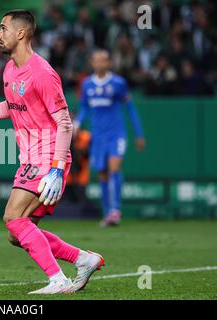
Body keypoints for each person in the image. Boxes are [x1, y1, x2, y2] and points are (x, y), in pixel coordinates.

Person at [0, 10, 104, 294]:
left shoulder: (42, 72)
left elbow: (65, 122)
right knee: (18, 234)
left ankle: (58, 279)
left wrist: (55, 168)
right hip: (31, 159)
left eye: (3, 28)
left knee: (13, 218)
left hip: (47, 157)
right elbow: (11, 106)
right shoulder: (10, 69)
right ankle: (83, 259)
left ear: (21, 33)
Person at [74, 50, 146, 227]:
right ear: (92, 63)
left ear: (109, 63)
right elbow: (84, 108)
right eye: (96, 60)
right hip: (97, 136)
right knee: (103, 173)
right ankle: (108, 214)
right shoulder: (87, 85)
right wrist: (76, 124)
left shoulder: (118, 83)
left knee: (114, 167)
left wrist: (139, 134)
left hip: (116, 134)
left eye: (103, 60)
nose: (100, 64)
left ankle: (116, 210)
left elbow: (130, 108)